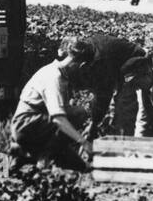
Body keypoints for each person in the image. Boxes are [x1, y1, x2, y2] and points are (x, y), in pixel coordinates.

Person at [7, 38, 91, 170]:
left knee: (81, 167)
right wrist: (83, 142)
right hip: (26, 124)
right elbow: (59, 119)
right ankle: (41, 157)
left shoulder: (57, 73)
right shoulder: (54, 77)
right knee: (78, 114)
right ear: (80, 64)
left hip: (34, 123)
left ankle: (30, 153)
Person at [60, 33, 150, 137]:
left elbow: (103, 95)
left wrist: (93, 124)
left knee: (123, 110)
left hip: (139, 67)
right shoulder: (88, 45)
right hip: (121, 68)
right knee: (117, 108)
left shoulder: (101, 60)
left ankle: (124, 147)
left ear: (82, 63)